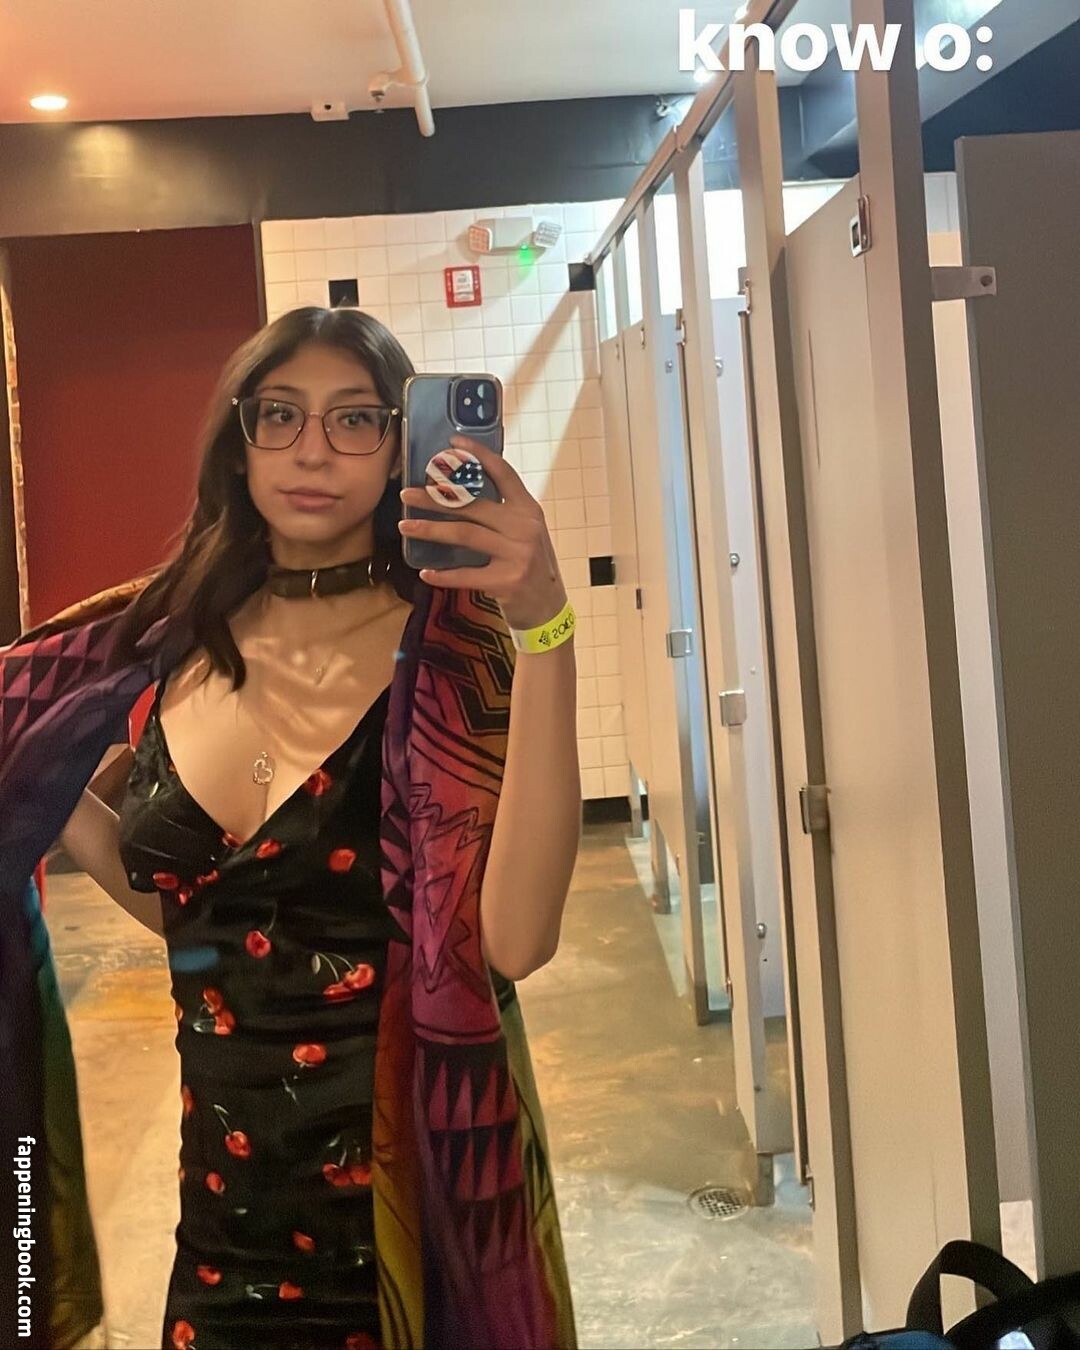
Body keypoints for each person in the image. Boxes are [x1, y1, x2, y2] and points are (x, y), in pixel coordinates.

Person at [1, 306, 580, 1350]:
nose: (313, 450)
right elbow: (195, 916)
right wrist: (52, 793)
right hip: (219, 1240)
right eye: (281, 415)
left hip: (401, 1234)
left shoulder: (451, 657)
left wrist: (545, 625)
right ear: (240, 440)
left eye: (354, 419)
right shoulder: (164, 640)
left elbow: (514, 940)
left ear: (399, 446)